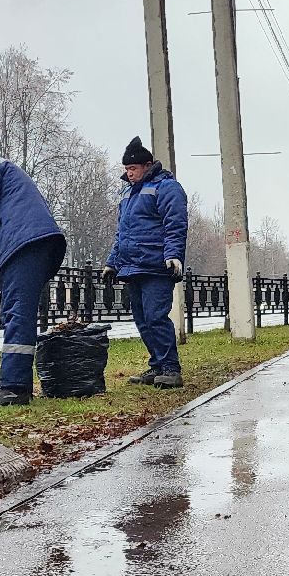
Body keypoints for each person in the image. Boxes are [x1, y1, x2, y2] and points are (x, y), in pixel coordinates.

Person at [0, 154, 66, 406]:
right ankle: (17, 386)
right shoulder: (5, 205)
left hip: (26, 245)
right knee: (16, 313)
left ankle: (13, 388)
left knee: (17, 314)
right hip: (26, 245)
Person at [102, 137, 187, 389]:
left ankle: (171, 368)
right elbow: (123, 233)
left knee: (156, 317)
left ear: (147, 166)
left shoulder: (167, 188)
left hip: (156, 266)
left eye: (133, 169)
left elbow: (175, 225)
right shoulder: (128, 194)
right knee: (142, 319)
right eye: (126, 170)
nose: (129, 174)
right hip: (133, 266)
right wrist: (112, 262)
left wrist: (173, 256)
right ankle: (158, 366)